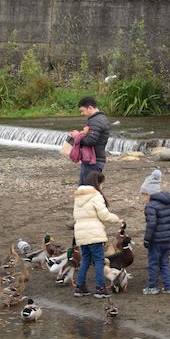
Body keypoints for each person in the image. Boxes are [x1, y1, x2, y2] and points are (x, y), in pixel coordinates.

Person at [73, 170, 121, 299]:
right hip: (94, 233)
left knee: (85, 260)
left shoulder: (78, 196)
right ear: (97, 183)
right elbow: (104, 215)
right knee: (99, 261)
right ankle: (100, 288)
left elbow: (76, 216)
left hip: (81, 233)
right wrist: (116, 219)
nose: (102, 186)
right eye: (102, 183)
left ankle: (80, 287)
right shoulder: (95, 195)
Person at [141, 168, 170, 295]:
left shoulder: (150, 206)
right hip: (167, 238)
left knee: (153, 263)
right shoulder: (167, 204)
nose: (143, 198)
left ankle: (152, 286)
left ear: (149, 194)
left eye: (143, 194)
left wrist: (147, 239)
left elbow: (151, 224)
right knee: (165, 263)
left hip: (156, 240)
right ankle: (169, 286)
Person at [68, 96, 110, 186]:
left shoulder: (96, 121)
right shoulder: (100, 118)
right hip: (96, 159)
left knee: (86, 190)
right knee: (91, 189)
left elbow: (90, 141)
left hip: (93, 161)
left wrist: (77, 136)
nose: (82, 113)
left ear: (90, 108)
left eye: (82, 111)